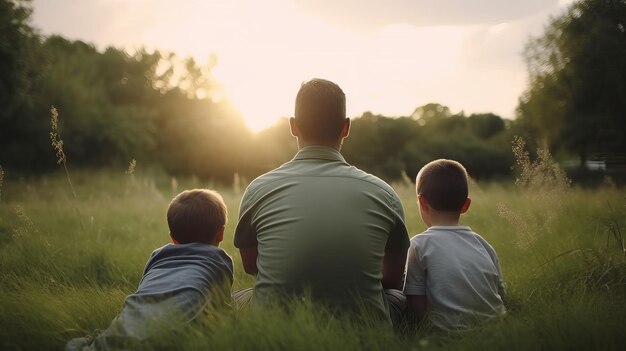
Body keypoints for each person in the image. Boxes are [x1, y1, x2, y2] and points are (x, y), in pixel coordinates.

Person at [233, 78, 409, 327]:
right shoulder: (384, 193)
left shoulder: (259, 189)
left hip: (274, 330)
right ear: (346, 128)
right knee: (399, 297)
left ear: (293, 126)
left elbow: (252, 267)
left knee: (239, 297)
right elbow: (391, 279)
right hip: (365, 333)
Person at [66, 189, 234, 351]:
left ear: (173, 238)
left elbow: (144, 296)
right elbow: (222, 312)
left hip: (116, 339)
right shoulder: (219, 260)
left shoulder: (158, 256)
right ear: (221, 233)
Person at [403, 159, 506, 331]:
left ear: (422, 202)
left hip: (447, 333)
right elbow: (500, 293)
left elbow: (415, 302)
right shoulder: (484, 245)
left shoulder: (418, 245)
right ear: (466, 205)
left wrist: (423, 332)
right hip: (497, 328)